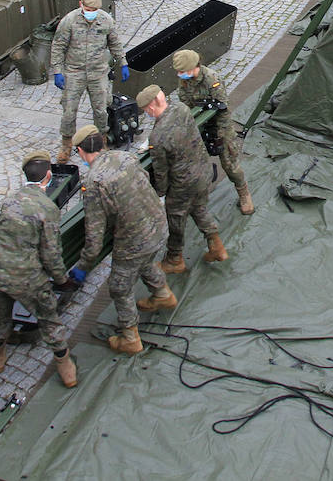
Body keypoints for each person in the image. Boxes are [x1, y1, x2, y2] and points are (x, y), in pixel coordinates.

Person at [69, 125, 174, 355]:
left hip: (135, 241)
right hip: (159, 225)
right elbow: (146, 181)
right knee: (146, 263)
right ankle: (163, 295)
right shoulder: (126, 157)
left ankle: (130, 338)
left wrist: (83, 267)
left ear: (80, 150)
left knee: (119, 286)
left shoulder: (94, 182)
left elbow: (94, 238)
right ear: (102, 142)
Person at [0, 151, 80, 387]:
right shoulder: (47, 208)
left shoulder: (10, 201)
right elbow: (51, 253)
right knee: (49, 319)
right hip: (27, 278)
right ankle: (63, 362)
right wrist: (61, 280)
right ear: (48, 176)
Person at [136, 84, 228, 274]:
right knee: (199, 208)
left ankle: (174, 259)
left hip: (183, 184)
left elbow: (161, 173)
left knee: (175, 219)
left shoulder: (158, 138)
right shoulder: (181, 108)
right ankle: (216, 245)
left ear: (151, 108)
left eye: (145, 110)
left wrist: (161, 195)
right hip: (203, 172)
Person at [51, 0, 129, 163]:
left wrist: (123, 62)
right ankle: (66, 144)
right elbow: (58, 46)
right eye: (89, 9)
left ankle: (101, 141)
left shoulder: (106, 21)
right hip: (74, 72)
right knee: (69, 110)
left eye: (94, 10)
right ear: (81, 4)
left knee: (101, 110)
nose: (92, 13)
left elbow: (114, 43)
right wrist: (57, 71)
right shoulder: (69, 21)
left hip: (98, 71)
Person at [172, 49, 254, 215]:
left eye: (182, 71)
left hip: (219, 126)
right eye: (179, 72)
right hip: (199, 126)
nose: (180, 75)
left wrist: (220, 135)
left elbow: (222, 108)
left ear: (193, 67)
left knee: (230, 164)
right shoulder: (185, 82)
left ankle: (244, 192)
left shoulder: (211, 79)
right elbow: (186, 106)